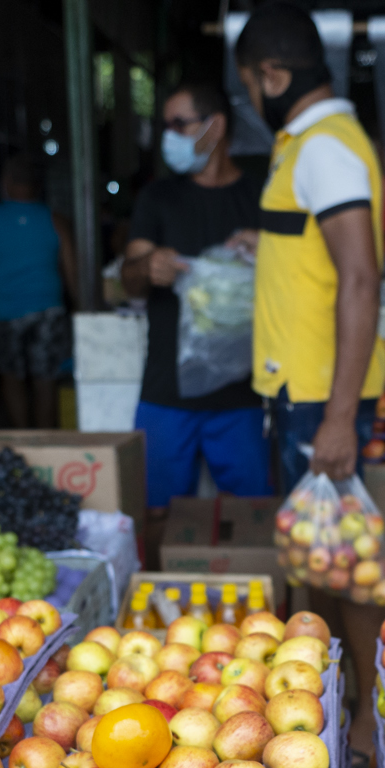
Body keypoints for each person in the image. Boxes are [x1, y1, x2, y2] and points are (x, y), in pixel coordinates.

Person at [234, 2, 385, 751]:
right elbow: (316, 254)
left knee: (342, 560)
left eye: (248, 85)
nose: (249, 101)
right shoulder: (307, 147)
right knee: (315, 557)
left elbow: (360, 278)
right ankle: (327, 706)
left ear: (273, 74)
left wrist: (335, 418)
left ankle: (366, 718)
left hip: (319, 398)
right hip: (296, 391)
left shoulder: (326, 148)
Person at [122, 82, 271, 513]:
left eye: (179, 124)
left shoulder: (260, 196)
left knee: (254, 519)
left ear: (215, 126)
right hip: (167, 395)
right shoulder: (158, 198)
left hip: (242, 396)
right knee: (153, 516)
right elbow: (128, 282)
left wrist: (273, 251)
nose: (169, 134)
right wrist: (147, 267)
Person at [0, 159, 76, 429]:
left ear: (6, 184)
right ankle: (45, 439)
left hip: (7, 311)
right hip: (48, 310)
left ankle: (22, 437)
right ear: (36, 187)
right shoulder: (55, 219)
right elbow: (73, 274)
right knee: (45, 381)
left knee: (12, 379)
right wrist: (84, 309)